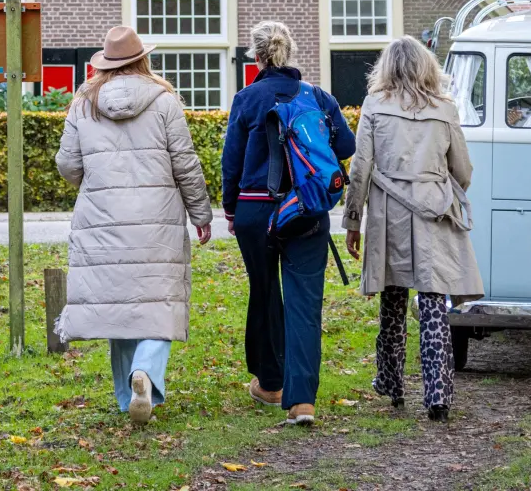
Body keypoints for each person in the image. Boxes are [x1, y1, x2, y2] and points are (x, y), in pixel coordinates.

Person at [55, 25, 214, 426]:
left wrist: (98, 184)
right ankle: (144, 372)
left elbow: (68, 164)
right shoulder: (164, 101)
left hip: (102, 219)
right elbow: (185, 163)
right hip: (157, 222)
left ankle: (128, 395)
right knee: (157, 303)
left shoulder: (83, 103)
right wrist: (201, 214)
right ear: (143, 59)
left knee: (120, 308)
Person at [343, 36, 483, 422]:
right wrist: (440, 189)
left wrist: (353, 221)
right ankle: (438, 394)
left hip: (389, 212)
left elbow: (361, 169)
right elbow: (464, 170)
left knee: (392, 299)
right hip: (433, 211)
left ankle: (390, 382)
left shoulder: (375, 105)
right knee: (434, 300)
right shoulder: (446, 108)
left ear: (386, 68)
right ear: (426, 67)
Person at [222, 21, 355, 426]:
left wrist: (231, 211)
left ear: (257, 58)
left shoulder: (246, 98)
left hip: (256, 211)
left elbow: (232, 162)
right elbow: (347, 147)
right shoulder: (317, 96)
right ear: (290, 53)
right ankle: (302, 402)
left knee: (265, 293)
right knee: (304, 302)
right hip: (305, 209)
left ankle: (270, 383)